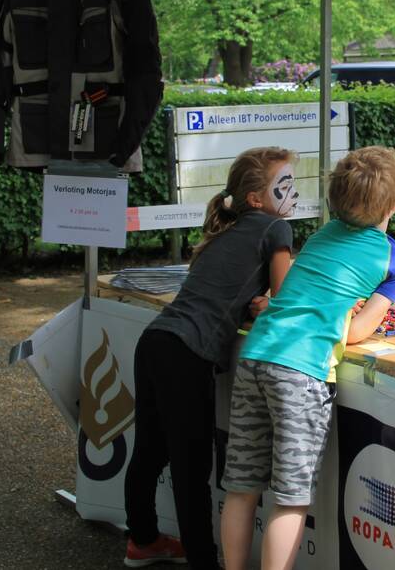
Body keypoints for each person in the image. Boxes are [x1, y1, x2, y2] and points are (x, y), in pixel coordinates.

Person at [221, 146, 395, 570]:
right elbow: (359, 331)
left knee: (242, 487)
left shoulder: (322, 234)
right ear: (394, 203)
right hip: (301, 371)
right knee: (290, 500)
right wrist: (347, 311)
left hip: (255, 355)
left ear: (333, 200)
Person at [122, 146, 298, 569]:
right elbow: (288, 300)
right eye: (285, 184)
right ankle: (202, 560)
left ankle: (142, 540)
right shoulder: (275, 228)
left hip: (156, 341)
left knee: (150, 450)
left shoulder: (230, 230)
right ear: (257, 199)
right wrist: (265, 308)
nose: (293, 192)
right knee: (191, 467)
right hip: (186, 354)